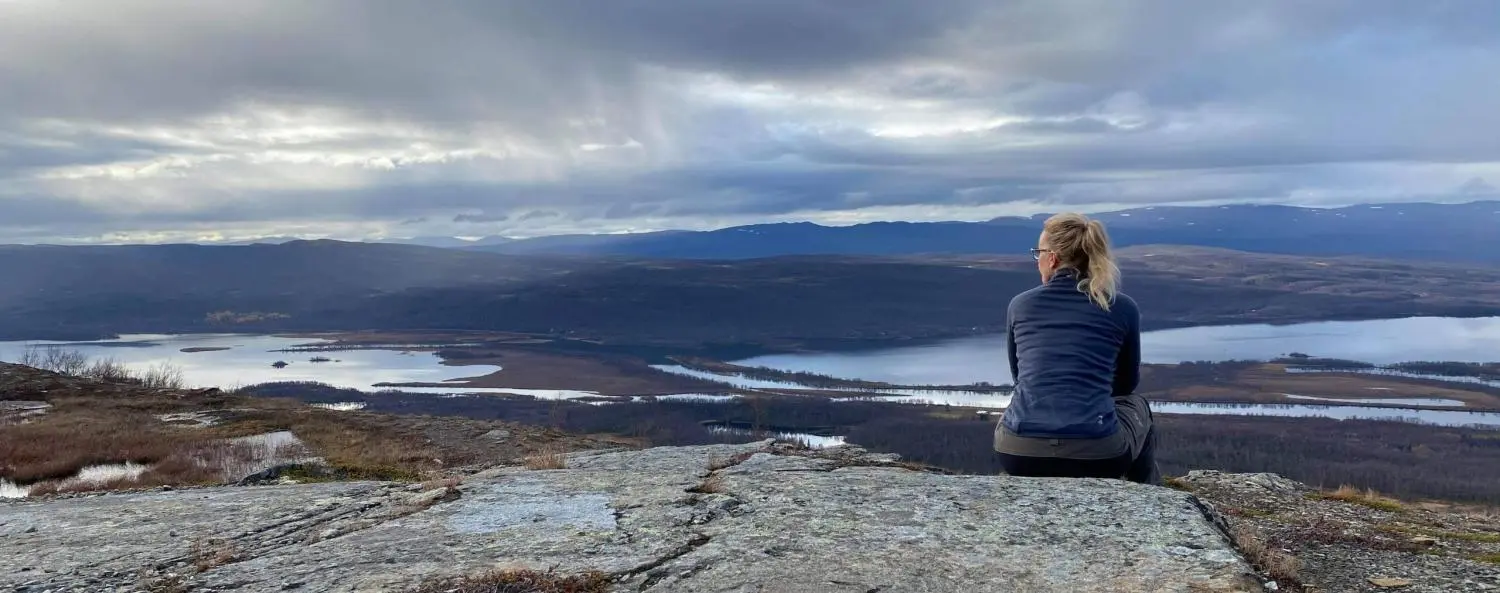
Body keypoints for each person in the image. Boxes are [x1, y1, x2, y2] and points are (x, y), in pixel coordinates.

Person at [993, 212, 1161, 484]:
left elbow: (1019, 377)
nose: (1038, 261)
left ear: (1053, 258)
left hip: (1018, 452)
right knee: (1137, 404)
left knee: (1018, 404)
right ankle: (1146, 498)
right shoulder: (1120, 306)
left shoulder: (1020, 305)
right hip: (1099, 455)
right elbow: (1125, 386)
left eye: (1038, 253)